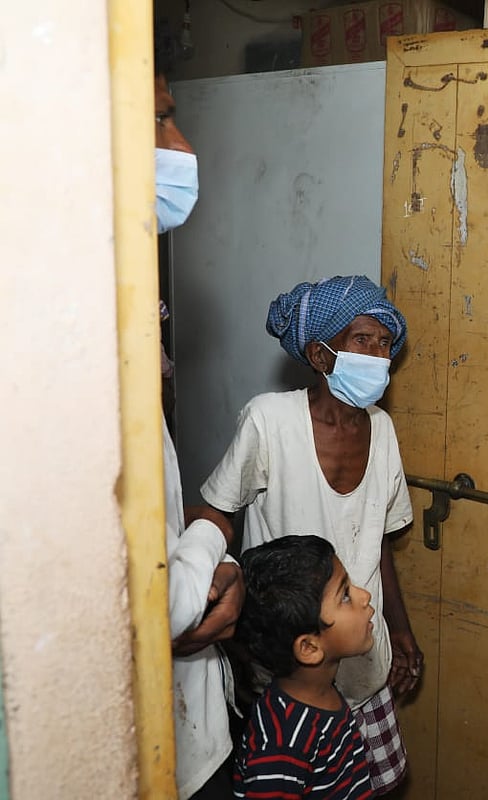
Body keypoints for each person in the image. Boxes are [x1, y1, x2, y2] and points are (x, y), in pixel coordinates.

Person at [202, 275, 418, 795]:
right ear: (321, 356)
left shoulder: (381, 429)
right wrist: (227, 621)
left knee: (365, 784)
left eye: (385, 343)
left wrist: (401, 630)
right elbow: (217, 515)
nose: (378, 353)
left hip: (361, 649)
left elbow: (378, 539)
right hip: (289, 658)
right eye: (362, 340)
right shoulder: (269, 421)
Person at [154, 18, 243, 800]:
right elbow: (165, 600)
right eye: (158, 119)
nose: (182, 146)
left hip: (199, 728)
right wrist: (216, 537)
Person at [233, 535, 376, 799]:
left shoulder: (321, 692)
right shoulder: (281, 746)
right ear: (309, 648)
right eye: (345, 595)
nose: (364, 596)